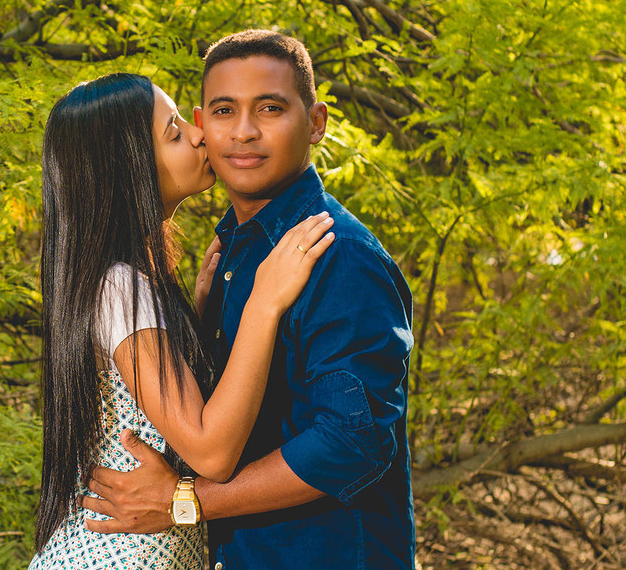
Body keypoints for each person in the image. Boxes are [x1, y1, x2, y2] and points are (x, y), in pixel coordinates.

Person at [80, 31, 415, 569]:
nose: (243, 132)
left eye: (270, 108)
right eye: (223, 111)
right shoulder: (233, 259)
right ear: (202, 125)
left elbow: (352, 442)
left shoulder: (337, 256)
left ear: (316, 124)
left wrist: (186, 503)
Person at [29, 72, 336, 569]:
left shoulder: (128, 283)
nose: (197, 134)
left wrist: (193, 320)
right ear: (127, 171)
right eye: (173, 132)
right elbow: (211, 454)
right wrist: (264, 301)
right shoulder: (119, 287)